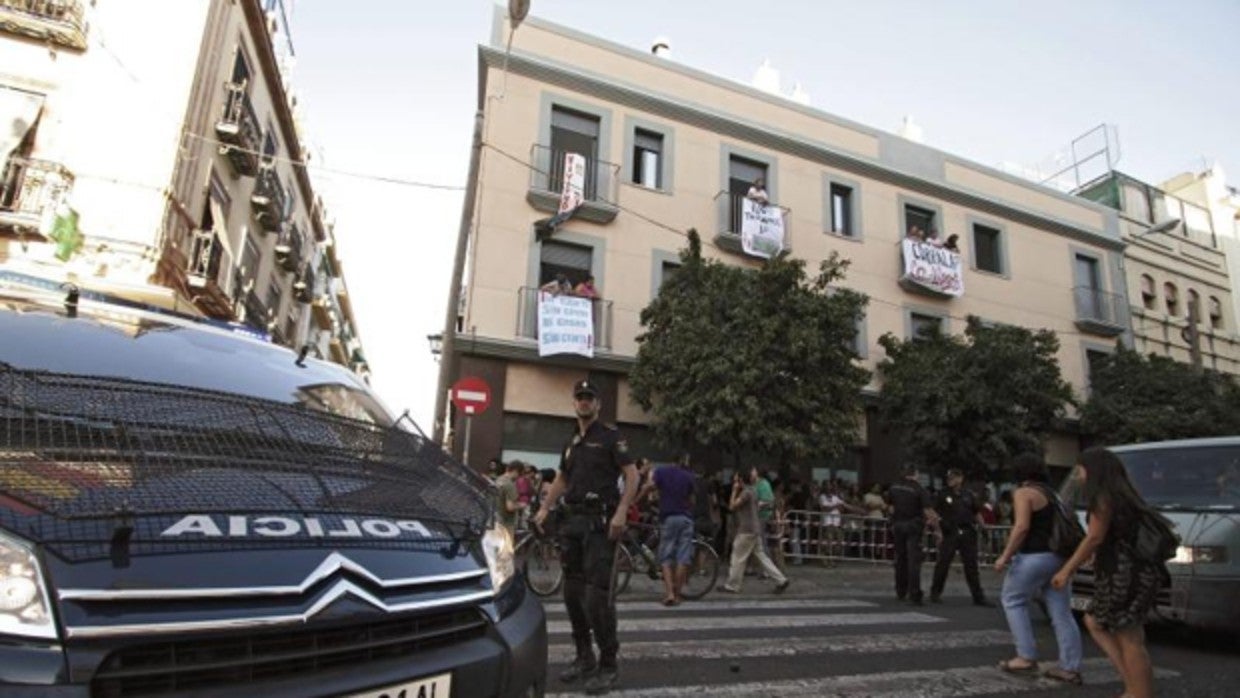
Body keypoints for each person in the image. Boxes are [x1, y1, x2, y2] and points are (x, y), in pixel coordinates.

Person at [532, 379, 639, 694]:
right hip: (572, 523)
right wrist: (544, 509)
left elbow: (631, 475)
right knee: (571, 594)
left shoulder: (610, 437)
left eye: (589, 397)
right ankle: (584, 657)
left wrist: (621, 512)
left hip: (599, 524)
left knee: (597, 597)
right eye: (579, 397)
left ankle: (609, 665)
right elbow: (563, 478)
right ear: (574, 403)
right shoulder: (572, 442)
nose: (583, 402)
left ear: (598, 404)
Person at [1051, 447, 1167, 698]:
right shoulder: (1123, 496)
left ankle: (1139, 693)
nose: (1078, 474)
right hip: (1134, 572)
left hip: (1124, 574)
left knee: (1128, 637)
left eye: (1080, 468)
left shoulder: (1102, 497)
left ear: (1093, 470)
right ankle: (1134, 687)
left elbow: (1094, 537)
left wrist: (1066, 569)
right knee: (1099, 622)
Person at [993, 453, 1083, 685]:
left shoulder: (1024, 493)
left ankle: (1026, 656)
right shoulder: (1053, 494)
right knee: (1061, 612)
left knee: (1013, 600)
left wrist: (1005, 556)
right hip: (1059, 558)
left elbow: (1022, 527)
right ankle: (1070, 666)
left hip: (1033, 556)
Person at [638, 455, 697, 606]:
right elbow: (692, 500)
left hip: (669, 518)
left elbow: (648, 487)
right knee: (682, 558)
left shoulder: (661, 472)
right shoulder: (689, 476)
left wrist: (635, 501)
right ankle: (677, 595)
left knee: (665, 558)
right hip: (686, 519)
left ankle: (669, 593)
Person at [929, 468, 992, 606]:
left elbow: (976, 513)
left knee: (971, 566)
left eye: (954, 477)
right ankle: (935, 593)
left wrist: (984, 528)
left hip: (967, 532)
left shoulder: (968, 494)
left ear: (961, 478)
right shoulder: (942, 494)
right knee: (943, 564)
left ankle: (978, 597)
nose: (951, 479)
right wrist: (937, 530)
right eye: (949, 477)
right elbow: (933, 512)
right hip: (950, 532)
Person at [721, 467, 790, 593]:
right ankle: (781, 579)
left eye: (736, 479)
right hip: (756, 528)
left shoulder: (746, 492)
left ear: (741, 480)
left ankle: (733, 585)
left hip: (746, 529)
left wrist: (734, 490)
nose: (735, 481)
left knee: (737, 556)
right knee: (762, 556)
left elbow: (732, 506)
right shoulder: (754, 490)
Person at [886, 465, 938, 605]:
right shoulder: (919, 490)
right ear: (915, 474)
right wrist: (937, 530)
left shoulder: (894, 487)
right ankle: (915, 594)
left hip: (898, 526)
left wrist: (893, 521)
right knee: (913, 562)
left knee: (900, 559)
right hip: (913, 527)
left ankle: (900, 590)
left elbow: (890, 508)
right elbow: (928, 512)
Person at [495, 460, 525, 533]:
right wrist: (521, 505)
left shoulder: (498, 480)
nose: (519, 477)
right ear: (516, 471)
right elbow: (510, 507)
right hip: (506, 523)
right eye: (520, 474)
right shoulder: (510, 485)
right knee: (507, 543)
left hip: (496, 519)